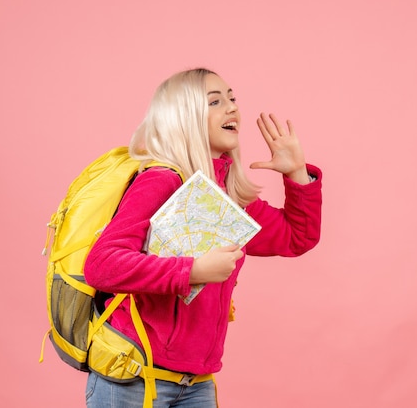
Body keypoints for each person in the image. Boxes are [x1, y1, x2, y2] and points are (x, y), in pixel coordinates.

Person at [83, 68, 323, 408]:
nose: (231, 108)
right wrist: (193, 271)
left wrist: (296, 173)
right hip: (133, 378)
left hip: (195, 384)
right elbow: (101, 266)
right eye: (215, 101)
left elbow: (296, 237)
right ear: (184, 117)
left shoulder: (229, 196)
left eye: (232, 98)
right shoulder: (161, 181)